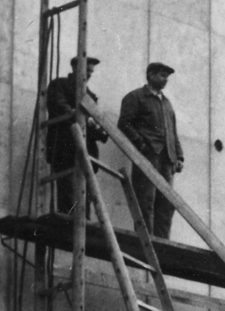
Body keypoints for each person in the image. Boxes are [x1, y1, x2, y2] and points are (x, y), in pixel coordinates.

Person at [119, 61, 184, 241]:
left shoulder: (167, 104)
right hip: (148, 158)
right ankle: (145, 239)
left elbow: (173, 132)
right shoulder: (136, 97)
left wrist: (179, 156)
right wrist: (142, 146)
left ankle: (163, 243)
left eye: (167, 77)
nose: (166, 80)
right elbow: (124, 124)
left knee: (166, 203)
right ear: (150, 75)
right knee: (146, 200)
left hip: (167, 160)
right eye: (162, 75)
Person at [43, 55, 106, 215]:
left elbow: (96, 127)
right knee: (69, 194)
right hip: (65, 149)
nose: (89, 74)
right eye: (87, 70)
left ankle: (80, 225)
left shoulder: (90, 96)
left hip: (85, 152)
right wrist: (86, 118)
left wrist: (99, 128)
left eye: (91, 71)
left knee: (84, 199)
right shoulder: (60, 85)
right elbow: (60, 106)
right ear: (75, 68)